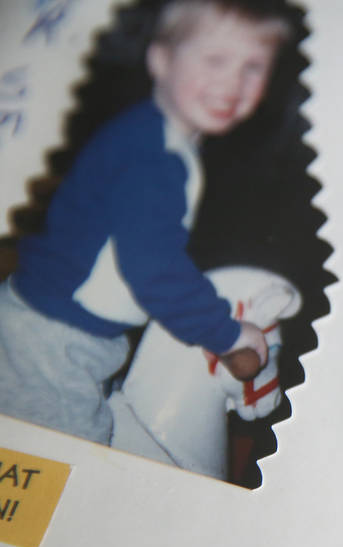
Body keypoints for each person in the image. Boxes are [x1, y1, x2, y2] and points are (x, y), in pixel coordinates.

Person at [0, 0, 293, 444]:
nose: (232, 82)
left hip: (71, 332)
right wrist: (227, 333)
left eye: (253, 67)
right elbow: (153, 269)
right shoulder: (151, 156)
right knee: (75, 467)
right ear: (161, 60)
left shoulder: (163, 141)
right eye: (215, 59)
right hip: (52, 339)